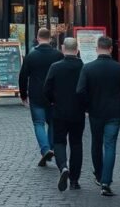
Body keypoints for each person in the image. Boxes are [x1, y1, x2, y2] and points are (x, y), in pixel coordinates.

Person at [77, 36, 120, 197]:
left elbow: (80, 90)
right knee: (110, 145)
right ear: (111, 49)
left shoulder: (88, 68)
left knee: (96, 143)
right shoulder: (119, 68)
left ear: (97, 48)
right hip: (113, 111)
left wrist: (87, 106)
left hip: (95, 111)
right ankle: (106, 182)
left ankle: (99, 175)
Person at [44, 37, 85, 192]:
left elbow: (46, 89)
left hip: (59, 110)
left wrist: (52, 101)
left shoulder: (55, 67)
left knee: (59, 141)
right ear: (77, 49)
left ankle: (63, 167)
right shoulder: (83, 66)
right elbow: (86, 90)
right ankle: (74, 180)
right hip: (78, 112)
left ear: (63, 48)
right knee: (76, 143)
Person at [18, 28, 64, 166]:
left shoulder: (31, 56)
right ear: (50, 39)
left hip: (36, 94)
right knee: (53, 123)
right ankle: (50, 147)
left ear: (37, 38)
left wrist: (23, 95)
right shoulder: (58, 55)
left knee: (38, 123)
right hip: (54, 96)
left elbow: (23, 77)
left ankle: (45, 149)